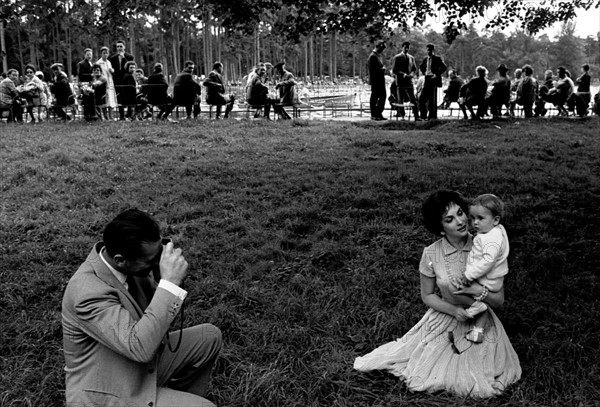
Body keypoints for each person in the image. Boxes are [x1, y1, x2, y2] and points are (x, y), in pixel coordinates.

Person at [354, 190, 521, 398]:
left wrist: (478, 290)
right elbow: (428, 296)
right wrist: (454, 310)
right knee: (429, 368)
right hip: (447, 316)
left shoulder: (485, 247)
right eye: (449, 219)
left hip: (481, 318)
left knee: (478, 369)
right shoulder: (431, 254)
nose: (460, 221)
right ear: (440, 228)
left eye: (461, 213)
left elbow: (499, 300)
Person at [62, 208, 222, 406]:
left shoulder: (132, 267)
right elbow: (140, 348)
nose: (157, 262)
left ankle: (178, 399)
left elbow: (155, 320)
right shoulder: (87, 292)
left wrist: (161, 279)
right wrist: (169, 285)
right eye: (151, 260)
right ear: (120, 260)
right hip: (111, 390)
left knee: (208, 337)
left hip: (134, 367)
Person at [453, 194, 509, 344]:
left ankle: (475, 308)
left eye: (480, 218)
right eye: (472, 218)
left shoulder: (491, 239)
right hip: (491, 277)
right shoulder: (492, 232)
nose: (475, 223)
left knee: (464, 284)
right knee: (480, 300)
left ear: (496, 220)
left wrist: (469, 274)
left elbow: (488, 260)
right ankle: (478, 331)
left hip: (489, 278)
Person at [391, 41, 420, 121]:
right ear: (402, 47)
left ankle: (417, 116)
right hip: (400, 81)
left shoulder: (411, 58)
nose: (407, 49)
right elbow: (394, 70)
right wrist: (403, 74)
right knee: (400, 99)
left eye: (408, 48)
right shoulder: (397, 57)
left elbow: (414, 69)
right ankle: (402, 116)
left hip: (409, 81)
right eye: (405, 47)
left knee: (413, 99)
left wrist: (412, 75)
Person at [419, 43, 447, 120]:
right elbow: (421, 66)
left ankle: (431, 116)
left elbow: (444, 67)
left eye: (430, 50)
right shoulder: (425, 59)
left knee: (432, 99)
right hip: (427, 78)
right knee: (422, 99)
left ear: (433, 50)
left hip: (433, 79)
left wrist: (437, 74)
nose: (429, 51)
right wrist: (424, 72)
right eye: (428, 50)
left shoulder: (437, 58)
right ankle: (423, 115)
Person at [109, 40, 134, 120]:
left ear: (124, 47)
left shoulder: (129, 57)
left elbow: (130, 67)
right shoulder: (113, 58)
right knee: (119, 97)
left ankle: (129, 114)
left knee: (129, 96)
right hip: (117, 80)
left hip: (127, 79)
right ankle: (122, 115)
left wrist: (124, 58)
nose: (119, 48)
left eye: (121, 46)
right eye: (118, 46)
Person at [367, 41, 387, 121]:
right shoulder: (373, 56)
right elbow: (373, 70)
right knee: (375, 97)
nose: (382, 51)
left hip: (379, 80)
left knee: (381, 96)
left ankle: (378, 113)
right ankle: (375, 114)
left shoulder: (377, 56)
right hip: (376, 80)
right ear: (378, 47)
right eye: (381, 48)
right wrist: (382, 70)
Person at [97, 46, 117, 119]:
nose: (105, 55)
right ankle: (105, 116)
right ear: (101, 54)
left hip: (110, 82)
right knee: (105, 100)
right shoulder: (99, 63)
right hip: (103, 83)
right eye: (103, 53)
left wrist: (112, 71)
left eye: (106, 53)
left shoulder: (108, 62)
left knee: (111, 100)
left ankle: (111, 116)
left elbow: (111, 72)